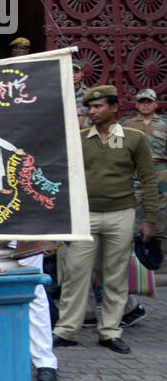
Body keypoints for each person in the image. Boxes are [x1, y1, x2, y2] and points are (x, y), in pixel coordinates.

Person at [52, 86, 158, 355]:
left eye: (98, 106)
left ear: (114, 108)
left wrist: (149, 219)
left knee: (114, 275)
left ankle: (110, 332)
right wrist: (64, 218)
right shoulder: (79, 139)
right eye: (90, 107)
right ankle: (66, 330)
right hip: (85, 217)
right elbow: (64, 180)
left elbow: (147, 179)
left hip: (121, 215)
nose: (92, 111)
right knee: (76, 272)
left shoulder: (133, 139)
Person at [120, 88, 167, 243]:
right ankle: (136, 239)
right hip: (135, 169)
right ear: (137, 105)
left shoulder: (164, 123)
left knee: (161, 204)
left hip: (159, 169)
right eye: (142, 102)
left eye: (149, 102)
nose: (145, 105)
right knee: (135, 202)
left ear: (156, 104)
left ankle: (159, 239)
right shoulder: (126, 124)